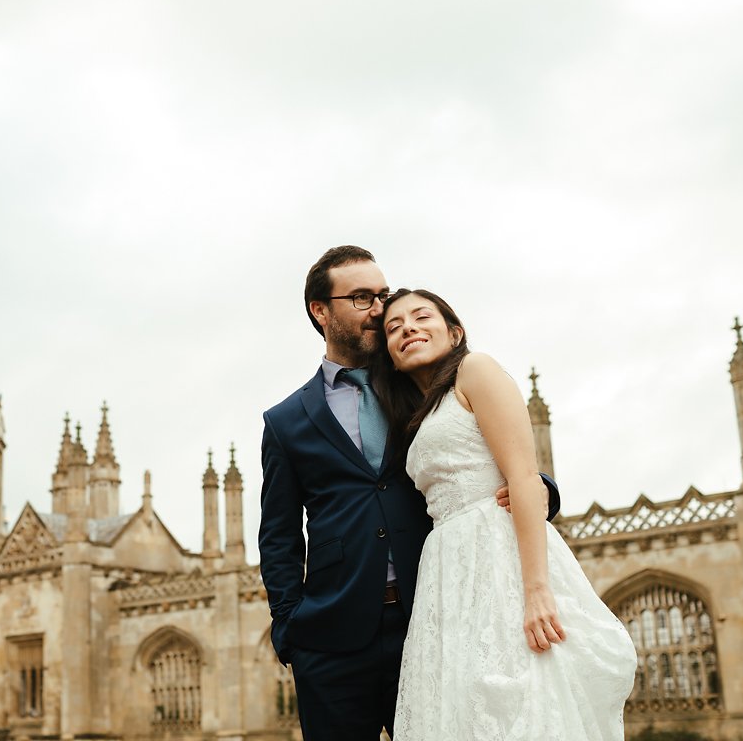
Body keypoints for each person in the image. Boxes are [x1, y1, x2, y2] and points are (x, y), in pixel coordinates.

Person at [258, 247, 559, 740]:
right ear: (320, 310)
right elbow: (280, 535)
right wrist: (291, 631)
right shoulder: (286, 420)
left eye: (381, 294)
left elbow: (486, 447)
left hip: (435, 618)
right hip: (333, 638)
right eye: (361, 298)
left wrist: (538, 490)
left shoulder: (424, 383)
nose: (380, 308)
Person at [375, 288, 636, 740]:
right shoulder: (415, 415)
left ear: (454, 331)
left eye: (420, 317)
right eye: (394, 328)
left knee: (520, 696)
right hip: (449, 574)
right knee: (463, 708)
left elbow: (524, 477)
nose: (408, 329)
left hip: (500, 557)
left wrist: (536, 592)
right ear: (390, 356)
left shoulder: (476, 370)